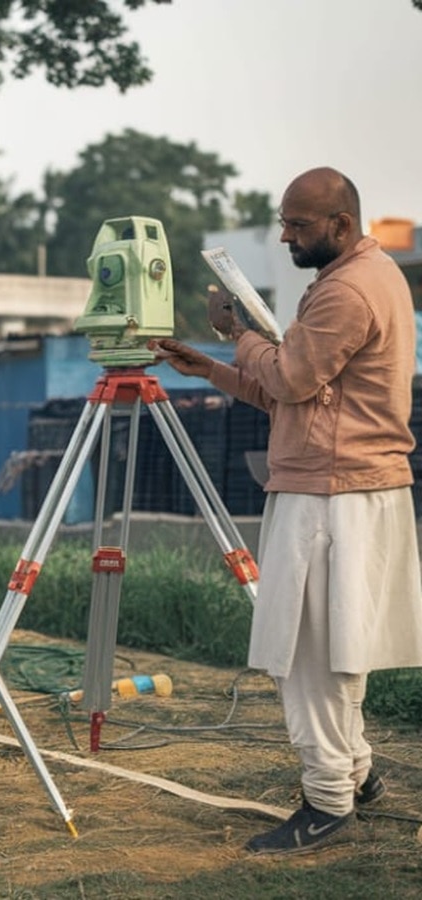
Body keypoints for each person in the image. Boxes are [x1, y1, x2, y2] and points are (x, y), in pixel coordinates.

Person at [151, 167, 422, 855]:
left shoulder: (349, 289)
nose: (285, 235)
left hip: (332, 494)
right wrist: (211, 366)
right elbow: (291, 396)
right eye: (285, 221)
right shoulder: (358, 278)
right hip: (340, 487)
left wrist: (235, 332)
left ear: (339, 223)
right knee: (332, 648)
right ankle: (352, 773)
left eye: (298, 225)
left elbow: (291, 376)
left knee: (308, 653)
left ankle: (328, 799)